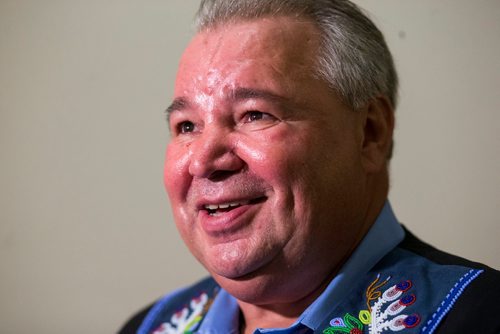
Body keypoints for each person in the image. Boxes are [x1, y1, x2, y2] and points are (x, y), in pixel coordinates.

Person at [120, 1, 500, 333]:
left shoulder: (482, 316)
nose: (203, 160)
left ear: (370, 132)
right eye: (187, 126)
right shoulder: (146, 326)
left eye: (254, 115)